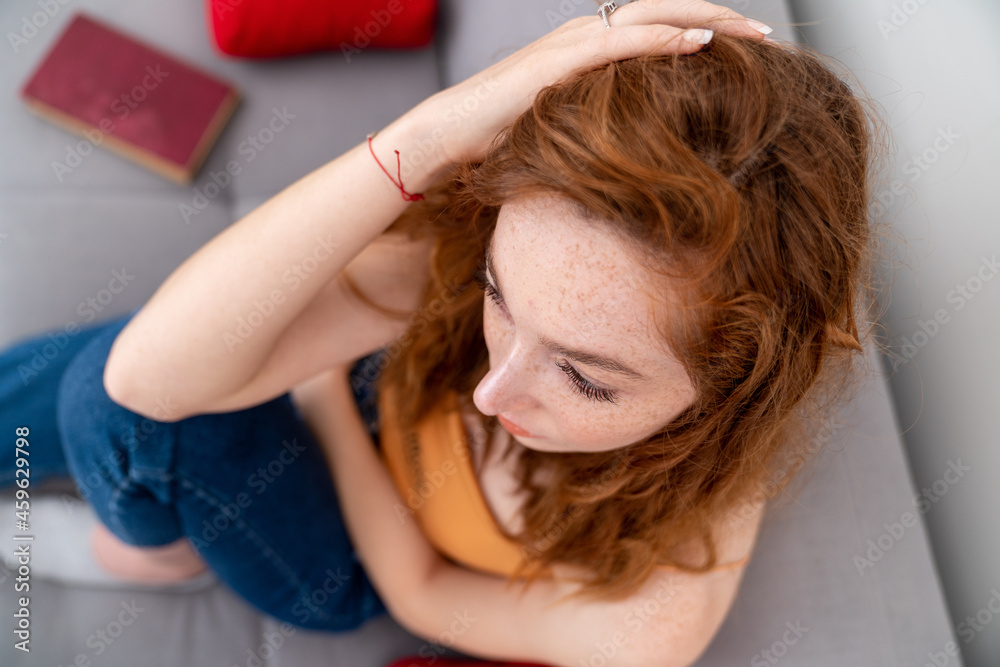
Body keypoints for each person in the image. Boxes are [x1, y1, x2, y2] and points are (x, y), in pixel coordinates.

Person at [0, 2, 883, 665]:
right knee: (151, 354)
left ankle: (151, 555)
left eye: (587, 378)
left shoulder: (660, 607)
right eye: (500, 295)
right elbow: (152, 369)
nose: (491, 390)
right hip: (362, 383)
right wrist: (428, 135)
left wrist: (317, 392)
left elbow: (421, 594)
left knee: (113, 401)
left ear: (737, 387)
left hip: (348, 553)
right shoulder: (491, 256)